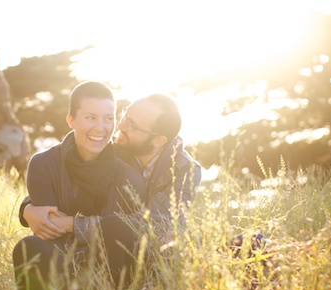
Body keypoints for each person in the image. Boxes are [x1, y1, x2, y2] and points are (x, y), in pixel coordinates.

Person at [12, 81, 146, 290]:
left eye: (108, 118)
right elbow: (49, 233)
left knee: (118, 228)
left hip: (108, 281)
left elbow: (122, 238)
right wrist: (28, 210)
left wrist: (77, 226)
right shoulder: (44, 164)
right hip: (59, 272)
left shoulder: (128, 175)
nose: (100, 128)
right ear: (71, 120)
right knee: (28, 247)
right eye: (90, 118)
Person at [21, 93, 202, 242]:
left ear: (158, 141)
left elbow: (152, 226)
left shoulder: (184, 171)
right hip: (101, 249)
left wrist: (72, 224)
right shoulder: (115, 148)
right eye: (124, 115)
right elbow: (65, 179)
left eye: (131, 125)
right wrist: (27, 209)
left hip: (148, 258)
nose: (120, 126)